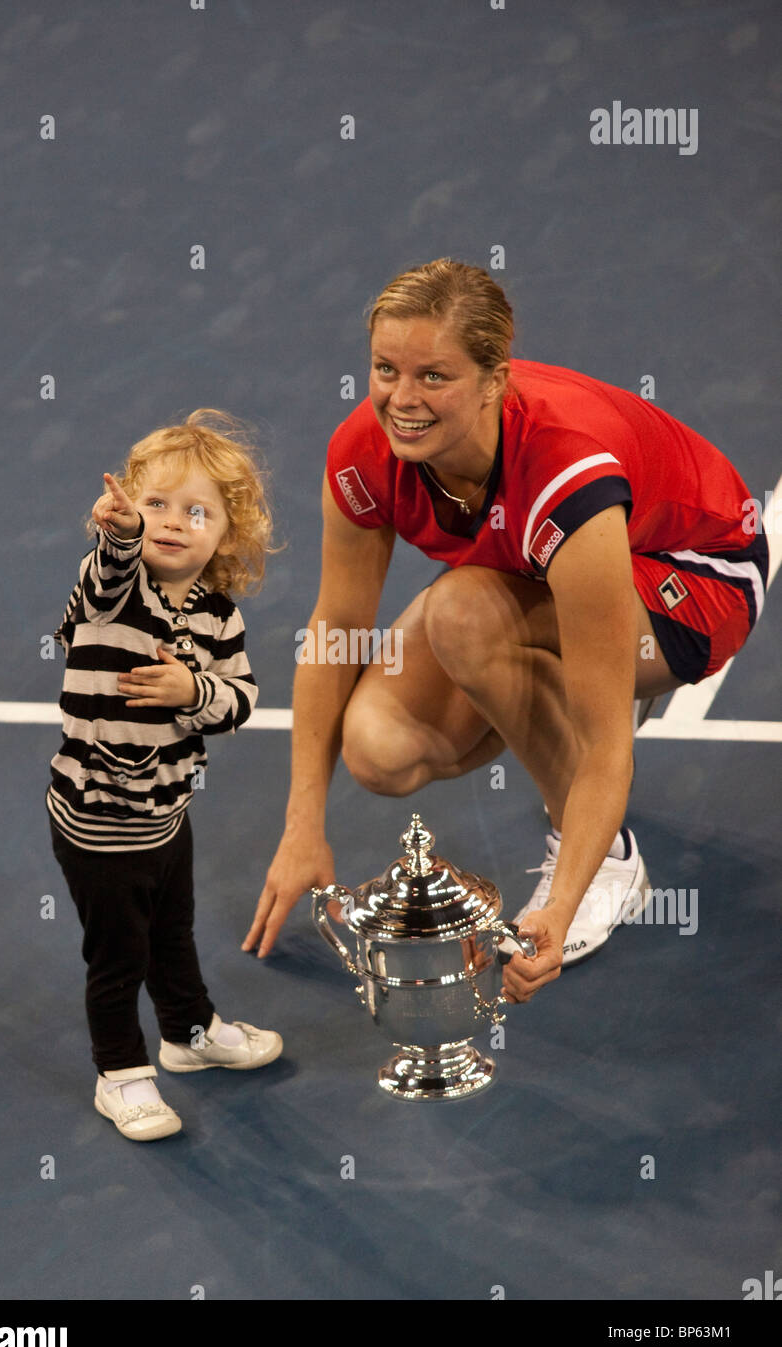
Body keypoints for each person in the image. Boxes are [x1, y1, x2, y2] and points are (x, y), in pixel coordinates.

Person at [244, 259, 769, 1005]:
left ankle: (612, 865)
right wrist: (303, 825)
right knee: (378, 751)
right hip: (532, 571)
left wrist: (556, 912)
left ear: (496, 379)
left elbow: (607, 751)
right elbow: (336, 630)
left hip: (693, 578)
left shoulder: (567, 473)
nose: (403, 399)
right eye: (386, 369)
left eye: (435, 376)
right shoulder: (365, 454)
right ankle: (547, 661)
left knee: (468, 619)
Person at [47, 410, 282, 1141]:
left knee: (171, 933)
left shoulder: (219, 615)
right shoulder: (111, 589)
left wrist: (194, 693)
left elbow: (240, 698)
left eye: (197, 510)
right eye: (156, 505)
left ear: (226, 535)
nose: (173, 522)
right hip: (97, 822)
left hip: (167, 815)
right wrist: (117, 535)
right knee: (118, 956)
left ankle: (188, 1033)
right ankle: (120, 1074)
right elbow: (114, 560)